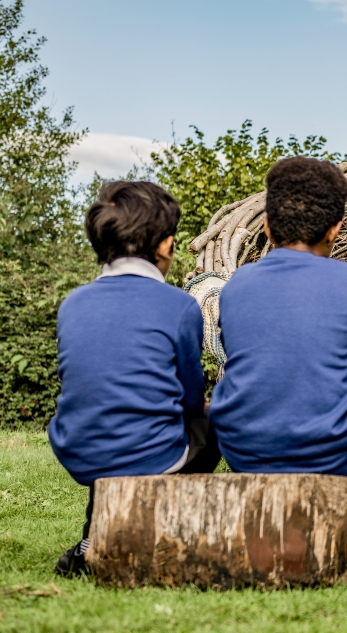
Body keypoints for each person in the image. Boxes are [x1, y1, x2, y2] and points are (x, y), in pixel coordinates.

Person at [49, 181, 220, 577]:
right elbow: (191, 401)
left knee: (114, 425)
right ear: (165, 246)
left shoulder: (73, 303)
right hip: (153, 458)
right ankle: (167, 525)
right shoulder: (179, 305)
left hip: (79, 450)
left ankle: (93, 537)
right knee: (215, 423)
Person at [209, 157, 347, 521]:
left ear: (266, 226)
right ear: (335, 230)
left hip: (244, 453)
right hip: (329, 457)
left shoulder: (237, 286)